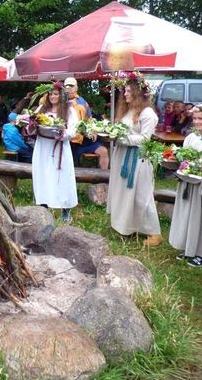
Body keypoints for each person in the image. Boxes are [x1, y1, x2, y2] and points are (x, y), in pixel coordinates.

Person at [106, 74, 162, 246]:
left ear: (138, 93)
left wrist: (123, 138)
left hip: (138, 159)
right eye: (125, 90)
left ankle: (154, 233)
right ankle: (126, 226)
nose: (125, 94)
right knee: (123, 192)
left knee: (141, 195)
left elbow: (145, 139)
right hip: (122, 156)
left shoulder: (148, 114)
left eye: (129, 91)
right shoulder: (127, 110)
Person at [31, 82, 79, 222]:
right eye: (50, 94)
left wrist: (62, 134)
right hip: (43, 146)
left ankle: (65, 209)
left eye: (56, 94)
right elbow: (32, 122)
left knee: (62, 177)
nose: (52, 96)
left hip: (59, 147)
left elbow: (73, 130)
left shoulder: (69, 110)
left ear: (62, 95)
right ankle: (43, 206)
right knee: (43, 175)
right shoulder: (42, 108)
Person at [169, 105, 202, 267]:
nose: (197, 122)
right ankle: (188, 248)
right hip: (188, 180)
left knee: (199, 216)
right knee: (188, 215)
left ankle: (200, 252)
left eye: (200, 119)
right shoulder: (191, 137)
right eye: (195, 118)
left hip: (200, 184)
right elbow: (184, 156)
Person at [64, 77, 109, 170]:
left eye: (71, 86)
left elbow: (90, 119)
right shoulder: (60, 101)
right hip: (69, 139)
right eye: (66, 86)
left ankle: (103, 181)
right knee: (71, 164)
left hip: (85, 138)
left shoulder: (82, 101)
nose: (68, 88)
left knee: (103, 151)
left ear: (76, 88)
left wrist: (94, 131)